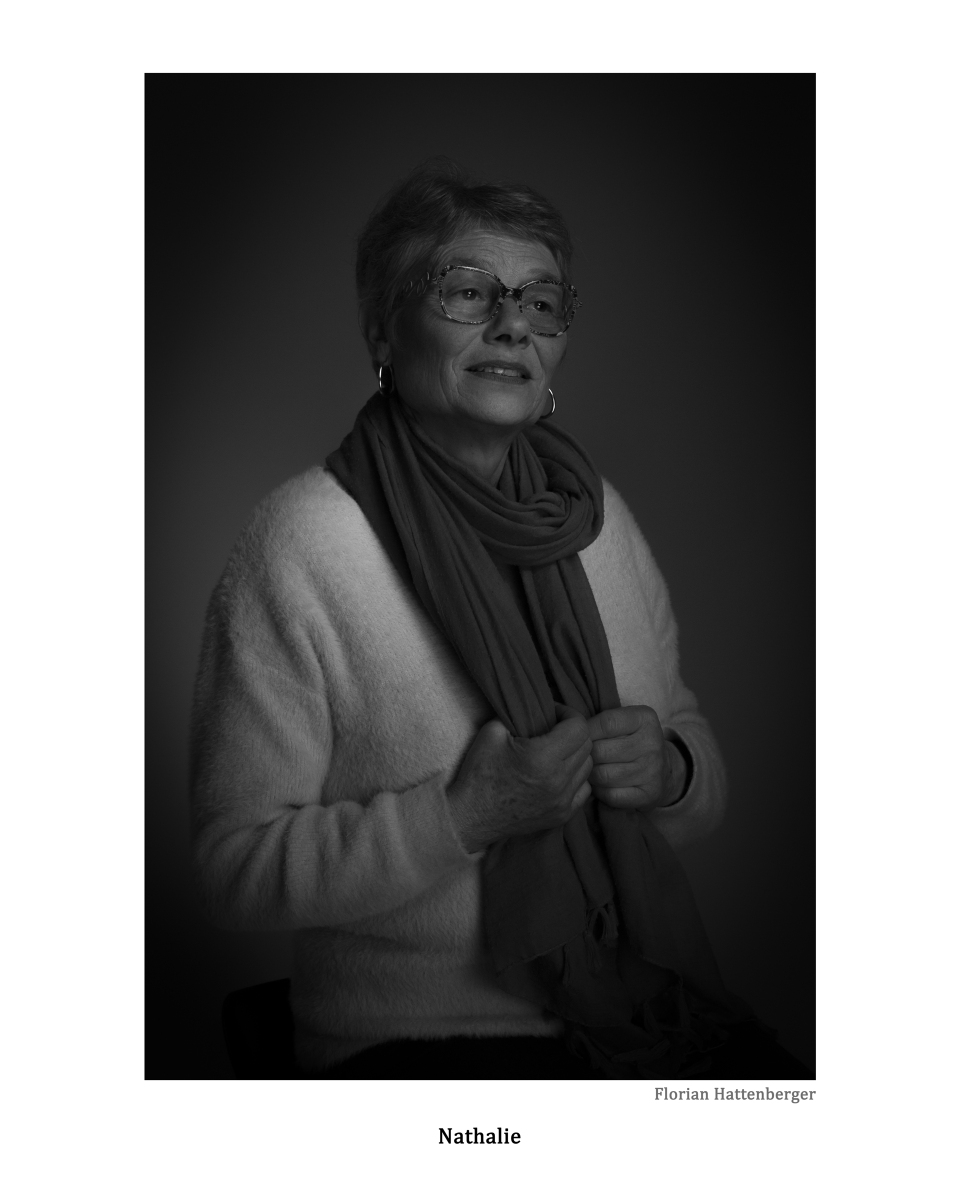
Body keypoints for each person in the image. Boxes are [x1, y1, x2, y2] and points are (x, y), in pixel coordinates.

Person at [190, 160, 811, 1080]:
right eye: (468, 290)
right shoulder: (302, 542)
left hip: (634, 1011)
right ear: (383, 329)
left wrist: (670, 772)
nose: (514, 323)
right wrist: (462, 817)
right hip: (411, 1050)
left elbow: (692, 750)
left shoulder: (599, 519)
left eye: (541, 302)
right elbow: (231, 868)